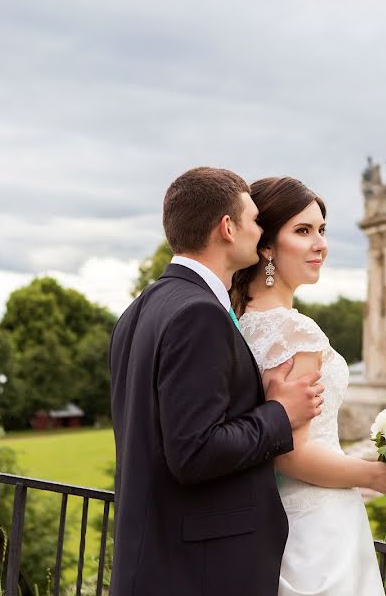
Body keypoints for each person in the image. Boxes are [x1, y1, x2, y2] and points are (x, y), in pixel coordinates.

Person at [108, 167, 325, 596]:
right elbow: (194, 452)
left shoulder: (141, 308)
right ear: (227, 228)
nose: (260, 230)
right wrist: (280, 413)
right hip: (199, 572)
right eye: (254, 219)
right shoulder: (198, 314)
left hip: (153, 562)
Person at [230, 176, 386, 596]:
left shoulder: (237, 321)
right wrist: (377, 475)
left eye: (322, 230)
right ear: (266, 246)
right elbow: (292, 455)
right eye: (302, 231)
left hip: (266, 519)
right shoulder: (296, 331)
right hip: (316, 525)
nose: (320, 244)